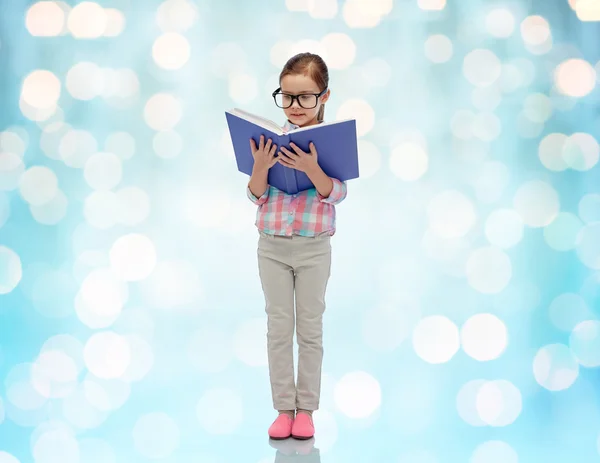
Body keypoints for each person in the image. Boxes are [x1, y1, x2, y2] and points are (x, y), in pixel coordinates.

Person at [246, 52, 347, 440]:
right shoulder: (272, 139)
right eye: (286, 97)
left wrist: (311, 168)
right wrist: (260, 165)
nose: (295, 106)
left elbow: (335, 193)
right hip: (271, 246)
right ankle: (283, 408)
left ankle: (306, 410)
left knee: (309, 328)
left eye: (305, 97)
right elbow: (256, 196)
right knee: (277, 327)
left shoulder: (330, 142)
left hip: (313, 248)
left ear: (324, 97)